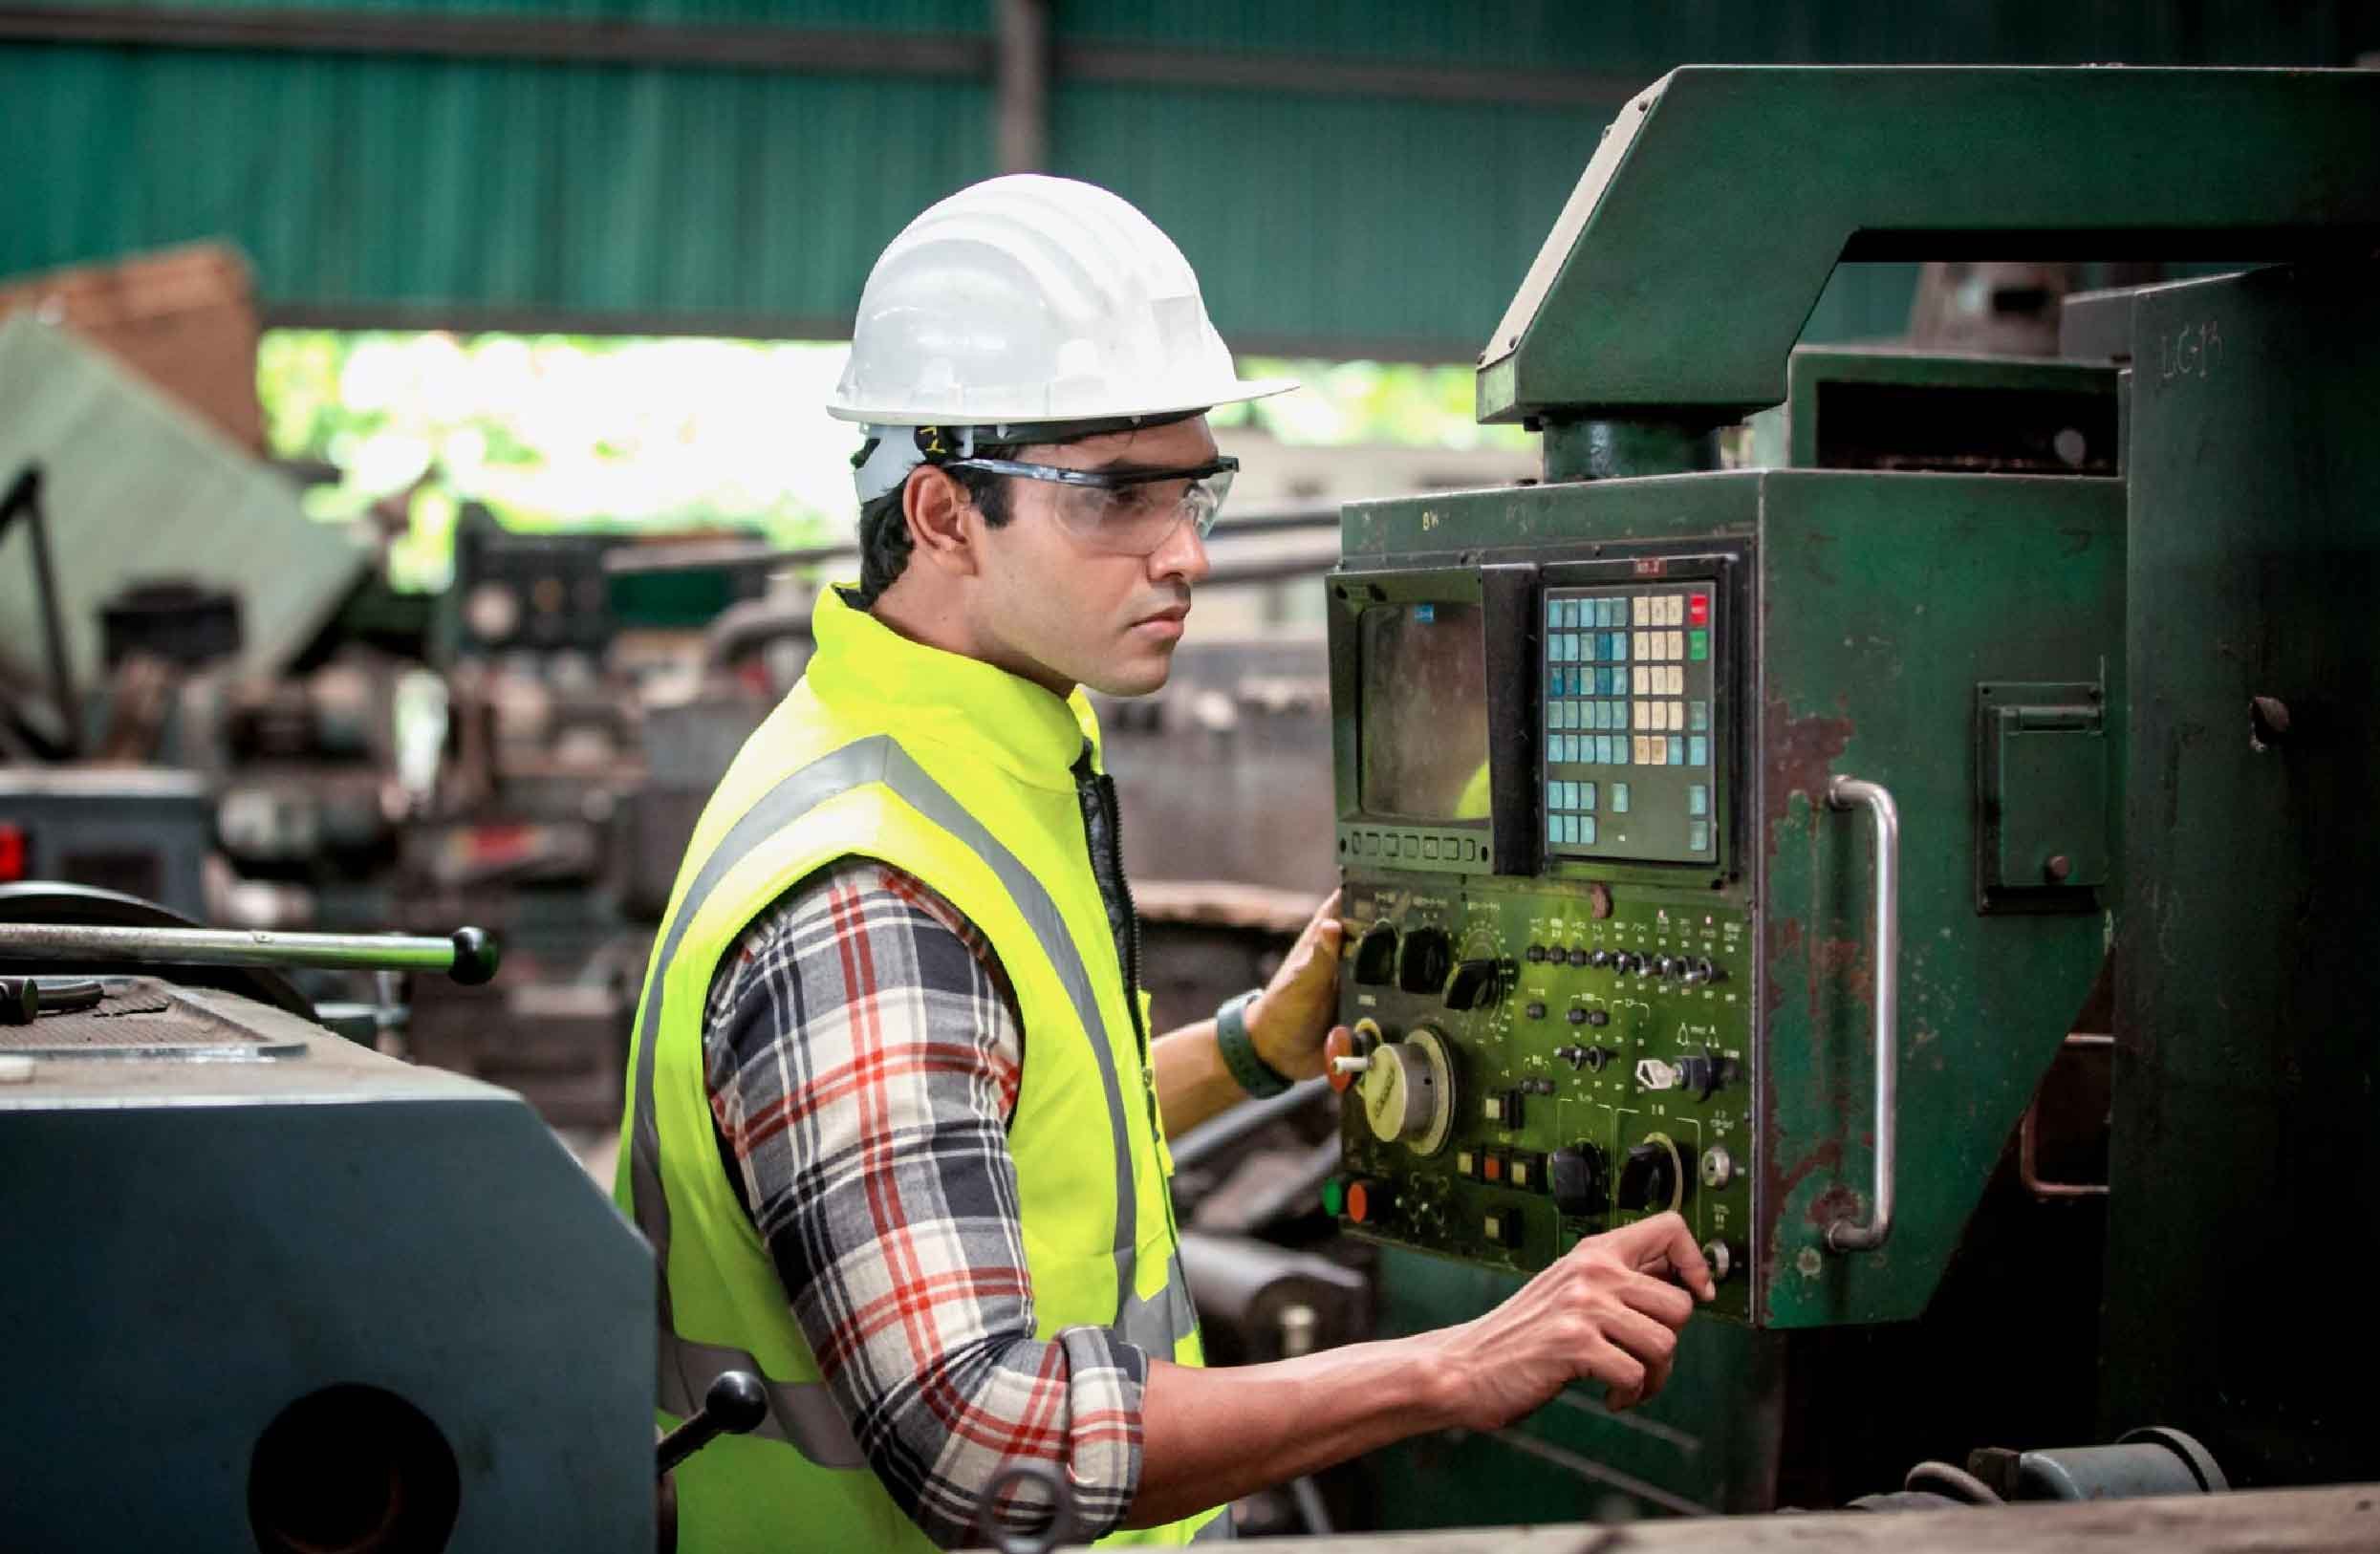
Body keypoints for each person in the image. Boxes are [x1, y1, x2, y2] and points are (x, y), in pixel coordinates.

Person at [616, 174, 1714, 1551]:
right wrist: (1455, 1364)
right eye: (1120, 498)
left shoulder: (956, 754)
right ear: (948, 512)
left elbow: (998, 1127)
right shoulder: (869, 890)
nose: (1188, 552)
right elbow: (988, 1440)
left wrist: (1258, 1043)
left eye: (1197, 488)